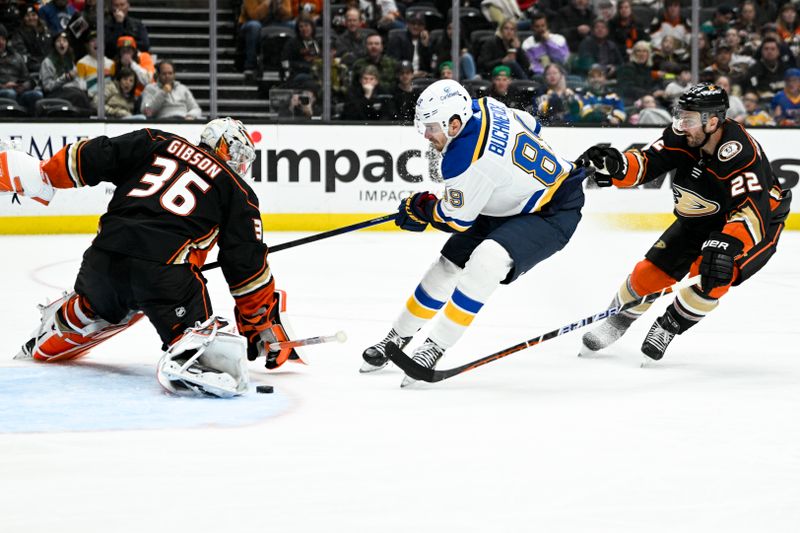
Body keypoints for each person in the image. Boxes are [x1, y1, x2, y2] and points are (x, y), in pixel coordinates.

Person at [0, 118, 297, 398]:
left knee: (98, 299)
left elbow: (93, 156)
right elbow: (247, 269)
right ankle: (195, 347)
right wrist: (260, 323)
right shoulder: (238, 191)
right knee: (202, 343)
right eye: (241, 156)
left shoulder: (156, 141)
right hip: (163, 278)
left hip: (101, 260)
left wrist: (44, 174)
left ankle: (74, 315)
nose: (242, 165)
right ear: (227, 150)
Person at [359, 79, 588, 386]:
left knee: (487, 260)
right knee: (448, 264)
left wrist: (422, 208)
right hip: (512, 202)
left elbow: (454, 220)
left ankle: (434, 345)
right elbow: (533, 126)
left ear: (454, 123)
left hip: (553, 210)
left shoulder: (464, 159)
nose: (427, 136)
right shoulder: (486, 106)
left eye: (431, 128)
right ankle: (398, 336)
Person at [575, 82, 790, 362]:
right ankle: (618, 320)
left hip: (756, 224)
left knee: (713, 275)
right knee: (648, 274)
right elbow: (648, 162)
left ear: (712, 122)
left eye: (688, 119)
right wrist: (618, 166)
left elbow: (751, 210)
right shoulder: (684, 136)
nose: (681, 124)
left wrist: (728, 243)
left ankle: (669, 325)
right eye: (680, 116)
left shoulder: (740, 153)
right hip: (703, 215)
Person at [39, 31, 93, 116]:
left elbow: (77, 80)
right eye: (58, 41)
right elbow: (47, 87)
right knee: (77, 95)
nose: (61, 44)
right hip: (54, 94)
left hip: (70, 91)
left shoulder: (69, 60)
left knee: (84, 94)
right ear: (54, 45)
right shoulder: (48, 62)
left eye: (64, 41)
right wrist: (66, 77)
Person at [0, 22, 42, 114]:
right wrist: (3, 86)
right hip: (3, 91)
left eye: (3, 39)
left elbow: (27, 78)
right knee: (9, 93)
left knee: (36, 95)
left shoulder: (16, 57)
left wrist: (23, 86)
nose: (1, 42)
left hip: (18, 91)